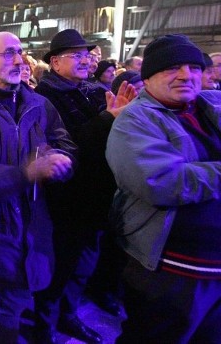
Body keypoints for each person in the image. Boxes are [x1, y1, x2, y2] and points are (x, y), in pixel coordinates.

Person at [0, 32, 76, 343]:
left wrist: (61, 160)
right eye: (8, 53)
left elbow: (65, 143)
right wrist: (26, 173)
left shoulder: (39, 104)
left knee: (15, 308)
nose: (18, 60)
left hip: (32, 226)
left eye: (19, 52)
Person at [106, 34, 221, 343]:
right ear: (149, 77)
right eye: (172, 68)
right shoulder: (135, 120)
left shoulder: (209, 106)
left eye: (194, 68)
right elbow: (162, 182)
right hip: (171, 270)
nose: (186, 75)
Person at [34, 29, 136, 344]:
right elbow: (64, 147)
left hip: (98, 193)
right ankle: (43, 326)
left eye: (86, 54)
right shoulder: (43, 98)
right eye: (75, 55)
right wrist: (107, 118)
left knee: (86, 261)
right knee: (60, 265)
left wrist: (119, 119)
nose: (85, 59)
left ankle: (68, 313)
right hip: (66, 199)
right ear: (54, 61)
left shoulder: (92, 90)